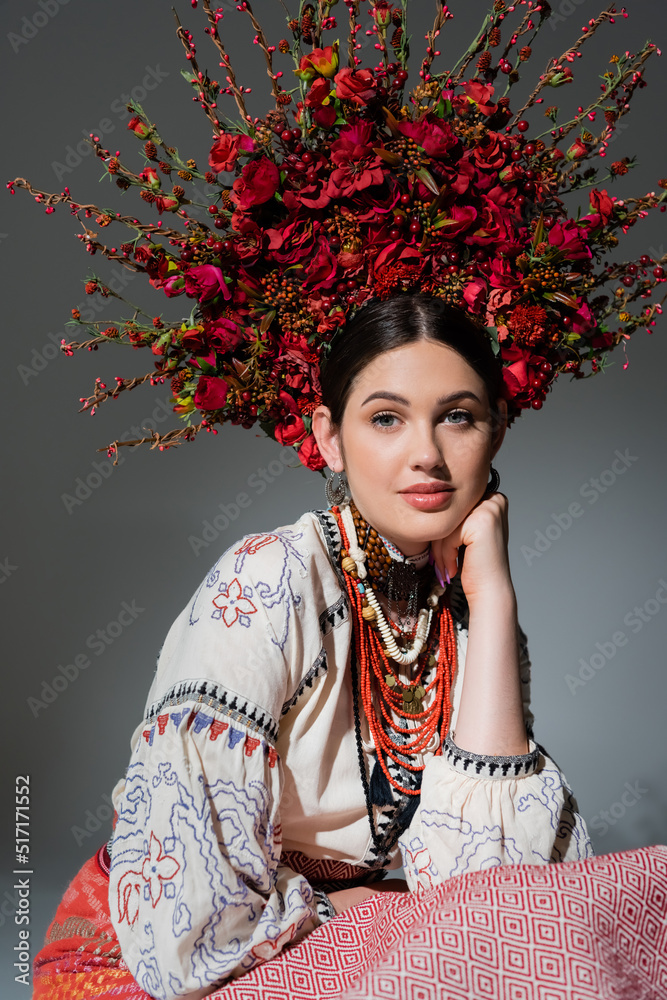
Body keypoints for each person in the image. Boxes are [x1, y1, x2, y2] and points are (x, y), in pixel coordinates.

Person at [33, 296, 666, 1000]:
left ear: (497, 431)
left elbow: (502, 886)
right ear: (329, 438)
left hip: (351, 937)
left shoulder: (465, 606)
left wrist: (492, 603)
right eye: (386, 418)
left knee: (620, 898)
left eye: (457, 416)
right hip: (183, 963)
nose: (426, 454)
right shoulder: (267, 582)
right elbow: (196, 925)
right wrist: (387, 912)